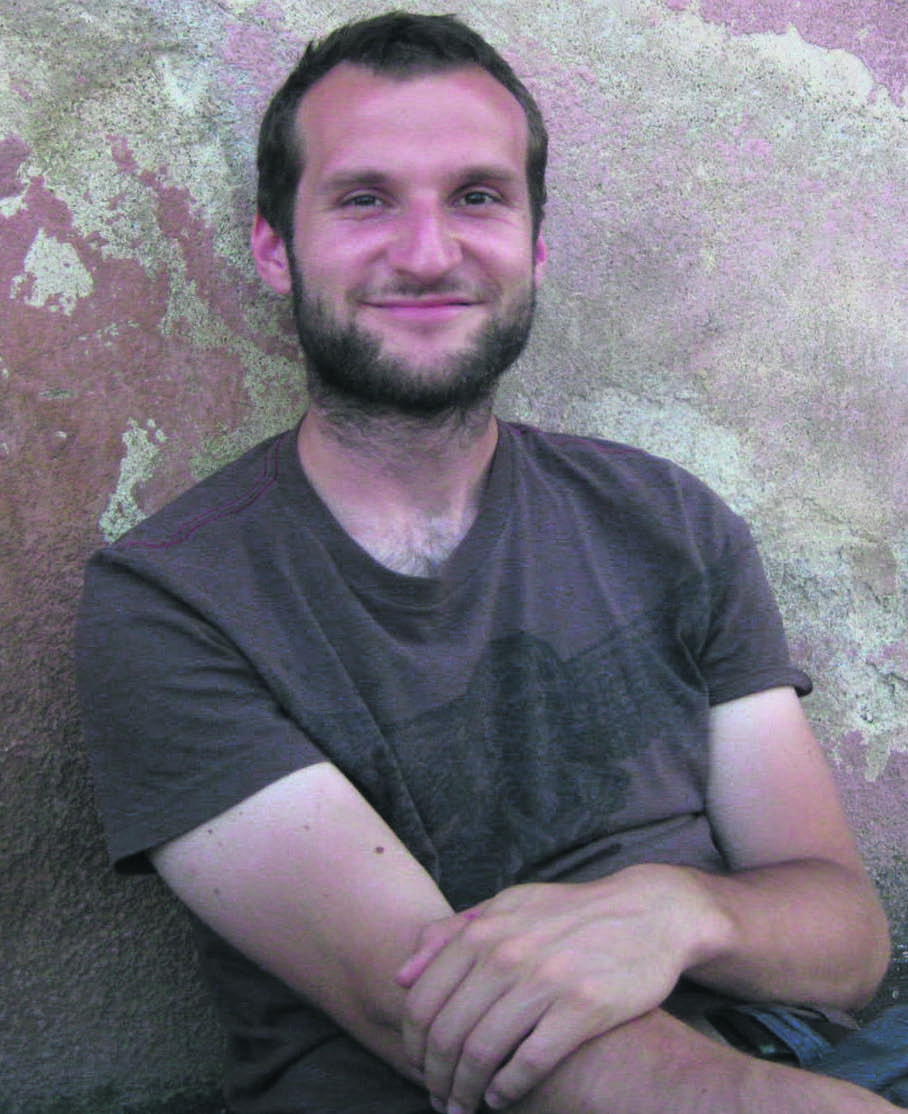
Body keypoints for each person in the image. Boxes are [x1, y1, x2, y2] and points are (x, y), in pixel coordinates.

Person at [77, 11, 898, 1114]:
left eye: (477, 197)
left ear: (535, 246)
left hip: (801, 1053)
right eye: (364, 199)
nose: (428, 253)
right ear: (275, 248)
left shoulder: (670, 522)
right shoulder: (175, 601)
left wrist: (681, 910)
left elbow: (846, 943)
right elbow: (428, 1010)